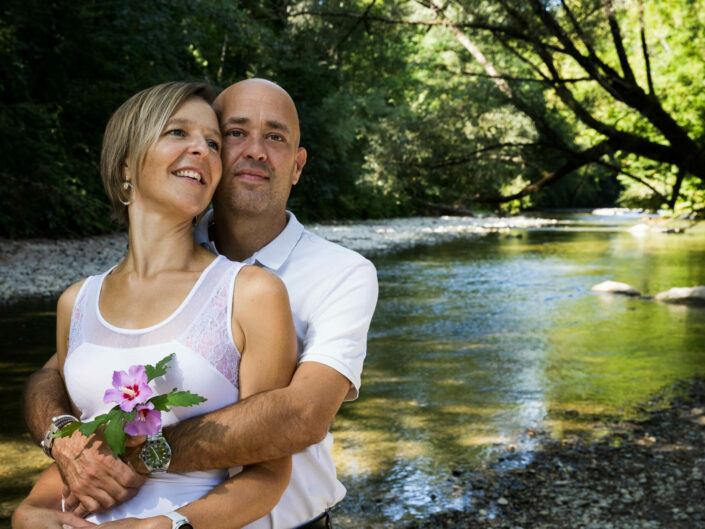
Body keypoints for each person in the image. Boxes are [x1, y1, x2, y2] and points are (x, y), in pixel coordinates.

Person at [22, 78, 379, 529]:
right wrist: (59, 444)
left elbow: (301, 417)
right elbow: (56, 376)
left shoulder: (336, 273)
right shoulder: (107, 282)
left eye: (275, 136)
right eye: (233, 134)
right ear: (127, 164)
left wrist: (139, 455)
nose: (253, 150)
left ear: (297, 165)